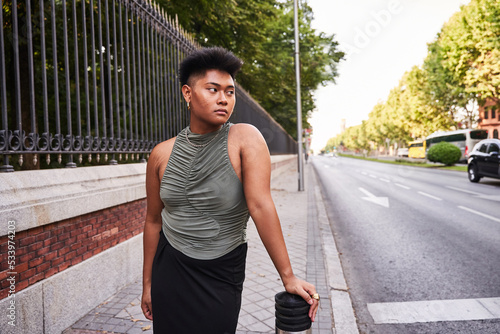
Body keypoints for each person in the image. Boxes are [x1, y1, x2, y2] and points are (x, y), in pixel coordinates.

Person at [140, 46, 319, 333]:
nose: (223, 98)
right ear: (188, 93)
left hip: (221, 270)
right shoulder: (161, 154)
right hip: (169, 268)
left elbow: (261, 206)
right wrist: (147, 284)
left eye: (230, 91)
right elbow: (152, 221)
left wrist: (288, 277)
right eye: (212, 89)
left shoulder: (245, 138)